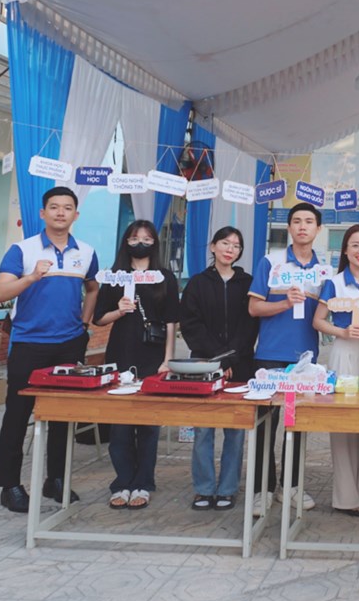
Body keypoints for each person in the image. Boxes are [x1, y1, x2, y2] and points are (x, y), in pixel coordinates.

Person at [0, 186, 99, 513]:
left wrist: (84, 323)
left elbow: (93, 288)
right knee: (17, 414)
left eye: (67, 207)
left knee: (63, 414)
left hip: (68, 344)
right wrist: (31, 277)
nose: (60, 212)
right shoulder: (22, 250)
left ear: (76, 214)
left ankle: (56, 479)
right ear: (43, 213)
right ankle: (9, 485)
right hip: (29, 343)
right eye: (54, 207)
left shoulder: (87, 252)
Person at [93, 220, 179, 510]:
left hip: (152, 357)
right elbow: (98, 318)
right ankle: (122, 482)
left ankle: (143, 482)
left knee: (148, 426)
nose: (140, 243)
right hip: (120, 354)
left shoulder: (165, 277)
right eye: (134, 238)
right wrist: (118, 311)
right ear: (125, 242)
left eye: (146, 238)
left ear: (155, 242)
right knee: (119, 426)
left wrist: (168, 359)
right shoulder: (114, 276)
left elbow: (171, 321)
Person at [247, 203, 322, 516]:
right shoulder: (271, 261)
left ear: (318, 228)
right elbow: (254, 308)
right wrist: (284, 304)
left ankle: (290, 486)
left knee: (296, 423)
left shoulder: (323, 270)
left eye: (309, 221)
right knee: (266, 425)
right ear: (289, 227)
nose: (303, 226)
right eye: (297, 221)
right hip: (270, 358)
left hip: (305, 361)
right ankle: (262, 489)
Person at [180, 227, 259, 511]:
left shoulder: (247, 283)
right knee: (203, 430)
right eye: (225, 243)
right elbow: (190, 324)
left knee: (235, 431)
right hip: (204, 365)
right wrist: (217, 360)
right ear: (213, 246)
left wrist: (229, 360)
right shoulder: (197, 283)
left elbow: (250, 325)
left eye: (236, 246)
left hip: (240, 366)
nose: (230, 249)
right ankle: (203, 488)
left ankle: (227, 488)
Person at [313, 224, 359, 517]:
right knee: (343, 422)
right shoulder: (334, 283)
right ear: (345, 250)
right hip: (344, 353)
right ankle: (345, 498)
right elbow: (318, 321)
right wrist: (341, 332)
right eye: (355, 245)